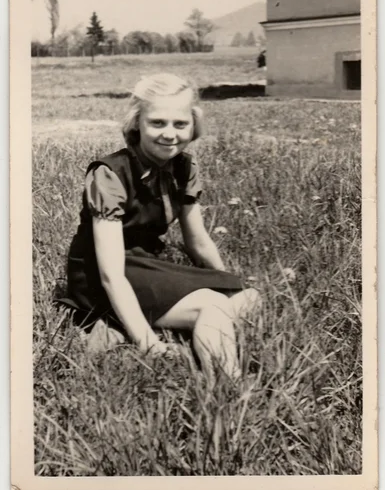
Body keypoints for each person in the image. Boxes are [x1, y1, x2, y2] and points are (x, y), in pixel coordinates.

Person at [61, 73, 260, 383]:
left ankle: (166, 329)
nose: (170, 134)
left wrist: (222, 280)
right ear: (136, 123)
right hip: (102, 275)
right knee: (215, 307)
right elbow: (110, 275)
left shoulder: (184, 167)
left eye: (180, 124)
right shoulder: (110, 173)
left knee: (248, 297)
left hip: (147, 263)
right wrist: (148, 343)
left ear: (194, 124)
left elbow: (198, 242)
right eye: (157, 123)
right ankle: (228, 391)